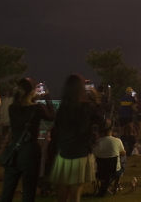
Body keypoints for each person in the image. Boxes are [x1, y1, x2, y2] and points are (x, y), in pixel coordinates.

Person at [48, 74, 106, 202]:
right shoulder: (86, 107)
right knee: (75, 191)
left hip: (64, 152)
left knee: (63, 192)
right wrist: (96, 100)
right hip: (80, 152)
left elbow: (57, 127)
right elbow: (100, 118)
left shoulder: (63, 108)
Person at [0, 79, 57, 202]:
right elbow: (51, 116)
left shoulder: (12, 108)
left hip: (14, 150)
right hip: (30, 152)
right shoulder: (37, 108)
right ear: (32, 92)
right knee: (28, 192)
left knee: (7, 191)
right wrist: (47, 96)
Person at [93, 125, 126, 197]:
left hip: (100, 171)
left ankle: (104, 185)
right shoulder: (117, 141)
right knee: (123, 157)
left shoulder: (97, 142)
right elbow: (123, 153)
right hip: (114, 171)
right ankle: (117, 184)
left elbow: (94, 154)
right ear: (111, 132)